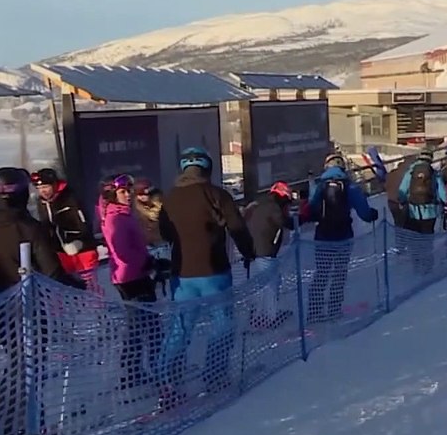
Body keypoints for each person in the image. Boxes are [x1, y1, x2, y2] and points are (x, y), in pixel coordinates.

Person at [157, 147, 256, 401]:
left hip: (182, 274)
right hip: (214, 271)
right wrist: (248, 252)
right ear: (207, 168)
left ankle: (167, 381)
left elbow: (165, 234)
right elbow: (237, 227)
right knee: (221, 325)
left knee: (180, 328)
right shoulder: (217, 195)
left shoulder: (170, 198)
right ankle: (215, 376)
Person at [0, 167, 84, 435]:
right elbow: (52, 272)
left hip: (4, 308)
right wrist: (76, 285)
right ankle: (19, 431)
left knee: (16, 368)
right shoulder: (29, 228)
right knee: (25, 370)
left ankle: (30, 424)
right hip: (25, 310)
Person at [98, 173, 161, 392]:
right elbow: (122, 252)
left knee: (140, 327)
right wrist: (148, 262)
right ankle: (145, 372)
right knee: (149, 327)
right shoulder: (116, 218)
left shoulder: (122, 214)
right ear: (112, 194)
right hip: (131, 277)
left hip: (132, 274)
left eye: (129, 191)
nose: (128, 195)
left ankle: (133, 372)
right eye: (123, 192)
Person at [299, 153, 379, 320]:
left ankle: (314, 311)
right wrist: (372, 214)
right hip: (343, 235)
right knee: (339, 273)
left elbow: (312, 207)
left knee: (321, 273)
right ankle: (334, 309)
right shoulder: (350, 187)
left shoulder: (320, 186)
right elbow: (364, 212)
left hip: (323, 235)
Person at [31, 168, 100, 282]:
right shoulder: (42, 203)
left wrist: (78, 241)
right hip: (61, 252)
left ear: (55, 184)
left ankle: (94, 300)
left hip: (82, 249)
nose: (43, 191)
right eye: (39, 188)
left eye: (45, 187)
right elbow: (47, 225)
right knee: (69, 286)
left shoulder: (70, 198)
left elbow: (83, 223)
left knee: (90, 285)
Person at [244, 181, 295, 329]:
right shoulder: (274, 208)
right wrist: (299, 217)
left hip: (254, 252)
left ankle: (259, 316)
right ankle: (267, 317)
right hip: (264, 252)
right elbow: (286, 223)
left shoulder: (261, 204)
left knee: (264, 284)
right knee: (270, 285)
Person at [396, 153, 447, 235]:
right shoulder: (434, 173)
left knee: (414, 236)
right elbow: (442, 192)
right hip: (430, 211)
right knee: (427, 237)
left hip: (413, 210)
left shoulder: (410, 172)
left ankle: (415, 247)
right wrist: (445, 202)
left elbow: (402, 189)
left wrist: (402, 201)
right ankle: (427, 247)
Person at [133, 178, 164, 247]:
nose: (142, 197)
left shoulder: (162, 204)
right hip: (146, 245)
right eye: (139, 194)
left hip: (163, 241)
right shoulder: (135, 208)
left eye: (145, 194)